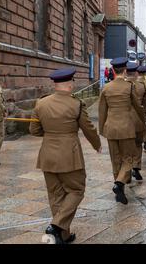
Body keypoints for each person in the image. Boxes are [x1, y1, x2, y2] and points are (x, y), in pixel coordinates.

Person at [29, 67, 102, 244]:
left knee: (55, 195)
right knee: (76, 190)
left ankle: (64, 235)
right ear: (69, 85)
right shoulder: (76, 104)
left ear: (55, 85)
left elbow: (34, 130)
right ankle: (56, 226)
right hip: (70, 155)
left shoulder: (41, 103)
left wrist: (51, 135)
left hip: (47, 154)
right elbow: (88, 128)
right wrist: (97, 144)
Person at [98, 57, 145, 205]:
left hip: (111, 128)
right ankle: (119, 183)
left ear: (112, 70)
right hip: (126, 128)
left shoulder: (106, 88)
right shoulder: (129, 86)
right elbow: (137, 106)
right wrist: (143, 121)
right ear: (124, 70)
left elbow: (102, 111)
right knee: (128, 158)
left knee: (115, 160)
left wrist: (101, 129)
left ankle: (120, 191)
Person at [129, 64, 146, 180]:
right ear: (136, 73)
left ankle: (125, 172)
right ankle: (136, 167)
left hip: (125, 119)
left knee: (125, 147)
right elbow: (144, 104)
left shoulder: (121, 86)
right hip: (138, 119)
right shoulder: (142, 86)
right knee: (137, 144)